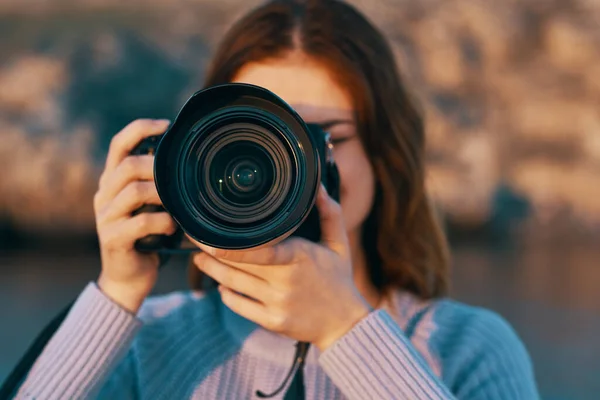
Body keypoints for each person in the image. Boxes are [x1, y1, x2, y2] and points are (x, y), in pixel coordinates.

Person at [15, 0, 539, 399]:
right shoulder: (146, 340)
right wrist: (116, 294)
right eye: (254, 139)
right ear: (195, 153)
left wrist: (346, 332)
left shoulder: (463, 345)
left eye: (322, 138)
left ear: (386, 154)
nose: (286, 170)